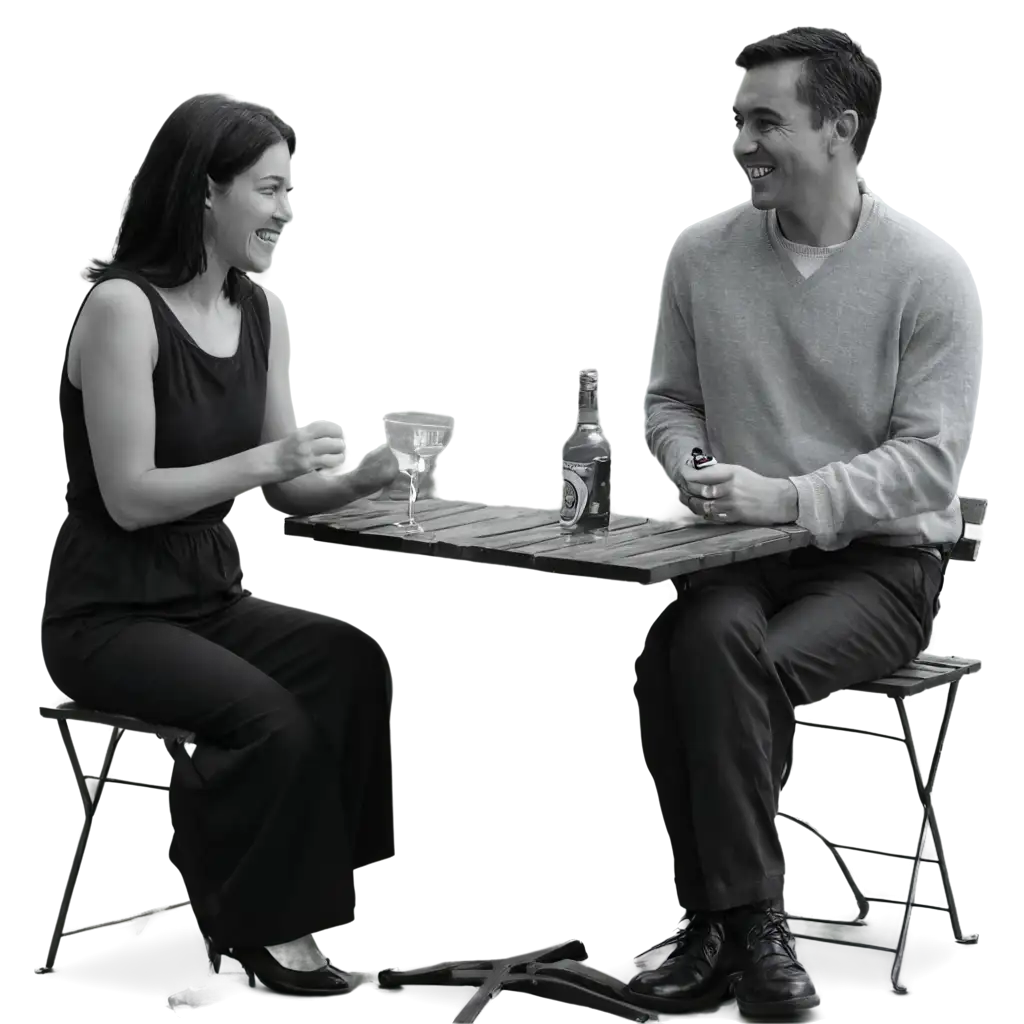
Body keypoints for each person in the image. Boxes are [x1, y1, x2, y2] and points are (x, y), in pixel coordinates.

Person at [625, 27, 982, 1019]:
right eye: (733, 120)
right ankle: (747, 934)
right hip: (738, 551)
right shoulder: (700, 255)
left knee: (716, 668)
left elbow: (928, 464)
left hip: (881, 568)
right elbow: (668, 402)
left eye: (765, 121)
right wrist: (693, 465)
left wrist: (788, 497)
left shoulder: (928, 271)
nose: (740, 141)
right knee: (696, 634)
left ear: (838, 129)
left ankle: (716, 928)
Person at [41, 93, 404, 997]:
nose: (288, 212)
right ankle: (255, 927)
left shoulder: (268, 314)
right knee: (266, 721)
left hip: (208, 599)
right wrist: (269, 455)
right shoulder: (122, 310)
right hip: (107, 617)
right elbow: (129, 499)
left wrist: (362, 478)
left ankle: (302, 890)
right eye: (270, 189)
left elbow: (283, 489)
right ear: (207, 193)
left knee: (349, 664)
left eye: (292, 192)